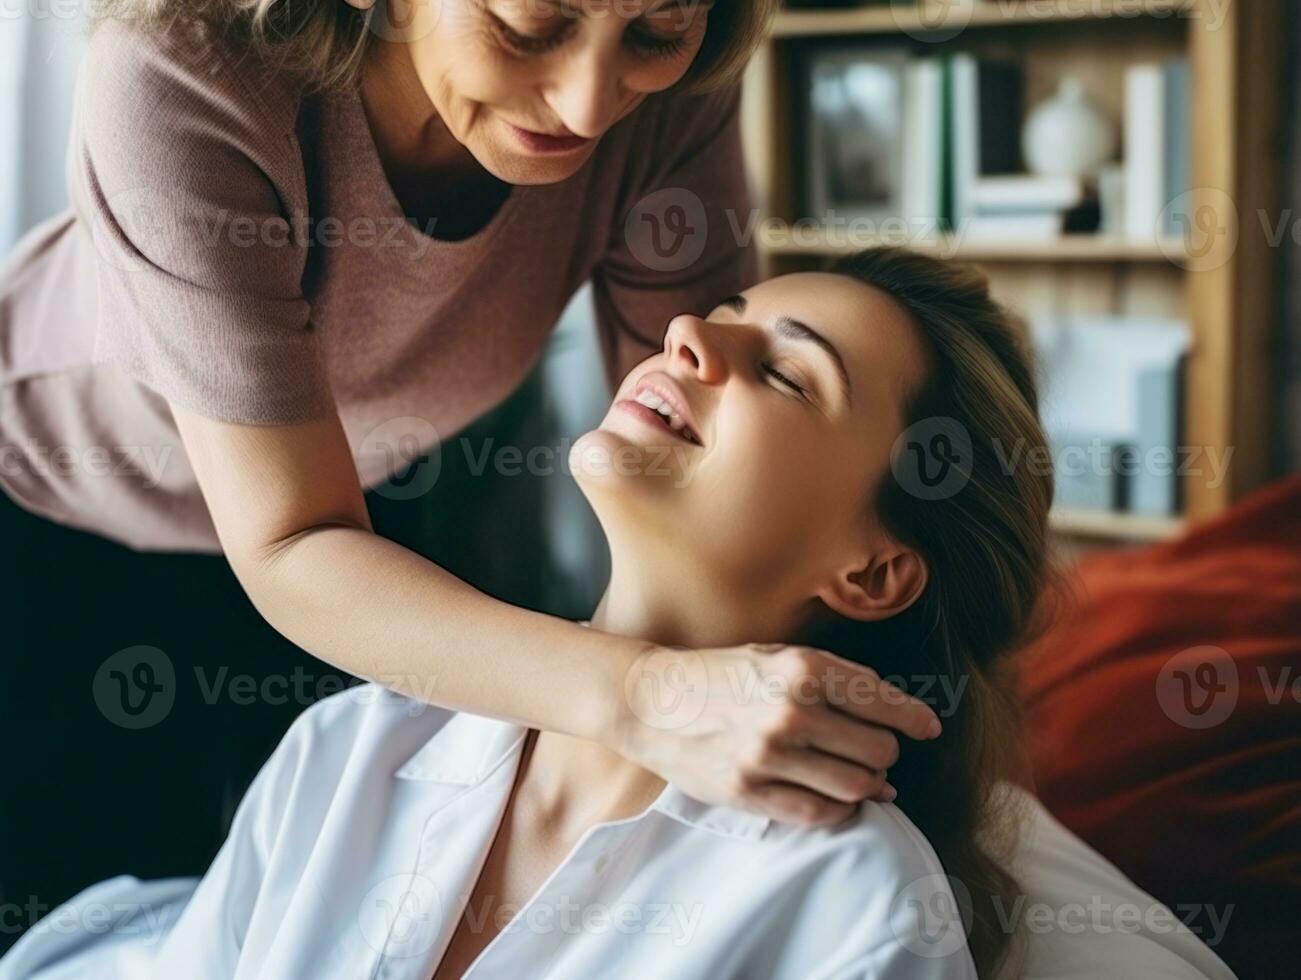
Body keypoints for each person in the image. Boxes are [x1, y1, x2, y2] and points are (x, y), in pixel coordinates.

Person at [0, 0, 946, 949]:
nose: (586, 106)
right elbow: (292, 540)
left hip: (351, 518)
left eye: (655, 35)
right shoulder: (186, 72)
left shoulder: (663, 99)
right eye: (530, 26)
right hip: (50, 510)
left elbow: (701, 454)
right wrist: (651, 695)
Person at [0, 247, 1056, 979]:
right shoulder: (354, 745)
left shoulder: (852, 911)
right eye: (720, 313)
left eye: (784, 373)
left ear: (871, 572)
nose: (686, 331)